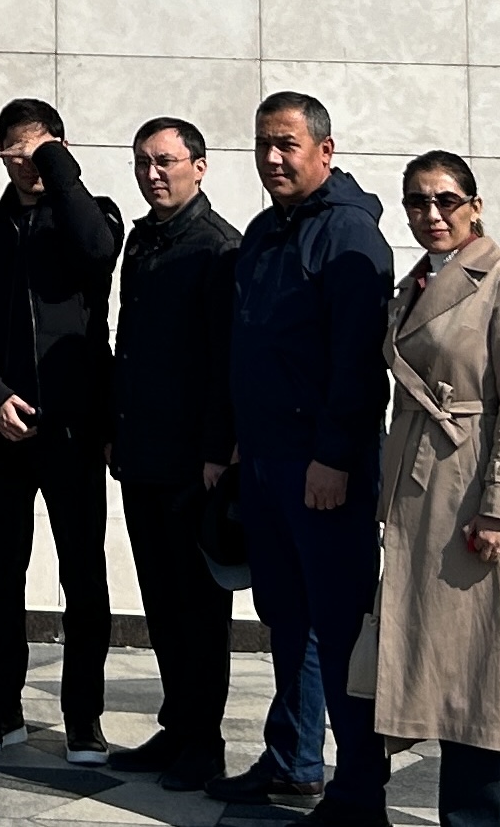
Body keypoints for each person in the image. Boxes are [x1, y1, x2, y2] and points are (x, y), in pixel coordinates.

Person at [211, 93, 393, 818]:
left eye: (286, 144)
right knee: (286, 618)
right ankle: (292, 761)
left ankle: (360, 792)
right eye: (263, 144)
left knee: (340, 627)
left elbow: (359, 363)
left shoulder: (350, 236)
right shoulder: (264, 231)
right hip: (264, 462)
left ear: (325, 149)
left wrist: (335, 457)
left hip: (323, 470)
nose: (273, 158)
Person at [360, 152, 500, 827]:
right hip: (415, 491)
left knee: (478, 674)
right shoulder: (413, 284)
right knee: (424, 664)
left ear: (475, 205)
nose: (431, 214)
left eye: (446, 200)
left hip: (471, 492)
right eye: (417, 201)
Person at [0, 98, 122, 764]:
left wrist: (55, 164)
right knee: (1, 575)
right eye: (17, 153)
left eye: (40, 150)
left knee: (83, 574)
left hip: (74, 429)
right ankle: (1, 708)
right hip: (0, 429)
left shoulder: (92, 215)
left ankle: (84, 717)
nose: (28, 164)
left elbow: (96, 252)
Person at [107, 116, 240, 790]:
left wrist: (217, 450)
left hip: (194, 463)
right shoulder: (143, 239)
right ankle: (178, 725)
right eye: (143, 162)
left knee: (198, 607)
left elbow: (225, 361)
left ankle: (204, 741)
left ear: (199, 166)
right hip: (142, 451)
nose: (153, 174)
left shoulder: (218, 247)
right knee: (160, 600)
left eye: (165, 161)